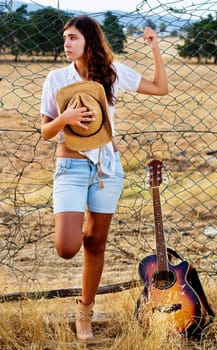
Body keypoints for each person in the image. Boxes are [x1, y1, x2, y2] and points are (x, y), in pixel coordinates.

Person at [40, 15, 168, 341]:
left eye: (72, 38)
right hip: (70, 166)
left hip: (107, 170)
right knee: (68, 246)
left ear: (89, 41)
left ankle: (85, 312)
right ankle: (72, 221)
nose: (66, 44)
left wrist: (155, 49)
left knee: (96, 242)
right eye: (65, 38)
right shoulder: (56, 79)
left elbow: (160, 88)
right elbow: (45, 131)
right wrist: (66, 118)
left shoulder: (111, 73)